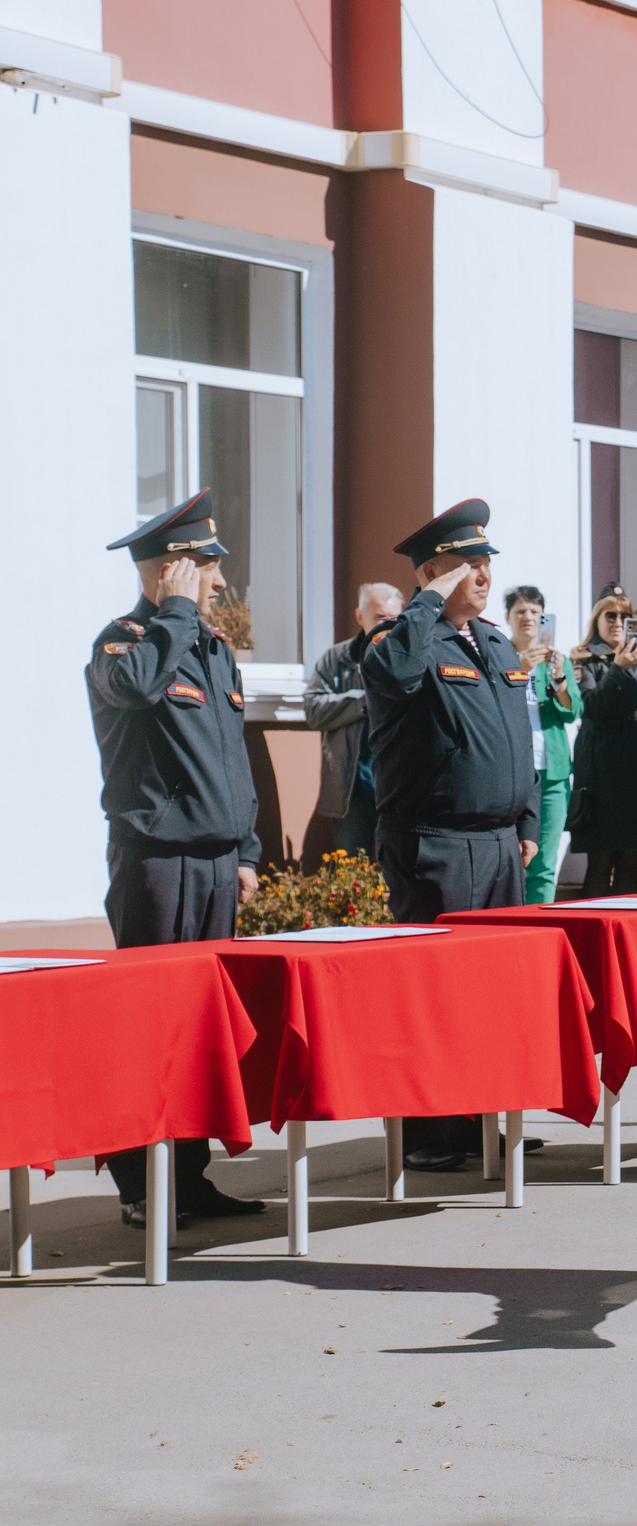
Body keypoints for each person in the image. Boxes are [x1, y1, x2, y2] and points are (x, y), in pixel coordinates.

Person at [85, 490, 268, 1228]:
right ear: (172, 571)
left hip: (217, 866)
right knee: (148, 1031)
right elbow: (132, 690)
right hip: (157, 866)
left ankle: (187, 1180)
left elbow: (234, 763)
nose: (221, 583)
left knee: (199, 1035)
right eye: (208, 568)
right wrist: (174, 615)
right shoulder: (124, 640)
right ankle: (140, 1185)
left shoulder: (213, 650)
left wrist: (249, 851)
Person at [363, 499, 540, 1168]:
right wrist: (425, 604)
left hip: (498, 845)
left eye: (488, 561)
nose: (485, 573)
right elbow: (390, 675)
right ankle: (434, 1131)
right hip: (434, 843)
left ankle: (489, 1115)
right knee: (437, 998)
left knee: (495, 996)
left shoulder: (492, 642)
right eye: (468, 563)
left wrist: (525, 816)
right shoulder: (405, 642)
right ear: (432, 572)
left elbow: (516, 738)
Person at [569, 588, 637, 896]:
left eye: (625, 616)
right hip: (602, 771)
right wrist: (618, 668)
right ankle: (591, 939)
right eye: (610, 615)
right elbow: (592, 706)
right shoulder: (583, 658)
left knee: (630, 861)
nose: (618, 622)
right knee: (600, 861)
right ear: (597, 620)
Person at [305, 582, 404, 856]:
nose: (387, 625)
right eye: (380, 617)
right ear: (360, 617)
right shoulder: (336, 659)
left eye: (393, 619)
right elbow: (313, 710)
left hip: (398, 787)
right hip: (352, 789)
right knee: (351, 876)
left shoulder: (410, 659)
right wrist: (363, 701)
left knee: (397, 876)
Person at [502, 586, 581, 903]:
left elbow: (573, 710)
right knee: (508, 861)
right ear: (508, 617)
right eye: (521, 611)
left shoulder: (557, 661)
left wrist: (560, 679)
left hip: (552, 776)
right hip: (510, 773)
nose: (528, 618)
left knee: (545, 863)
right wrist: (518, 669)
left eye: (535, 612)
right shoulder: (499, 656)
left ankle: (540, 929)